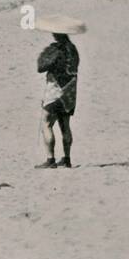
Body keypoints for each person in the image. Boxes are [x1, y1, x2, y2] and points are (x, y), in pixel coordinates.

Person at [37, 29, 81, 168]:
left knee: (46, 123)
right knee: (65, 125)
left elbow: (41, 67)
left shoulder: (57, 49)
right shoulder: (73, 50)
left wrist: (47, 53)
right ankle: (67, 159)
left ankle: (50, 160)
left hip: (56, 90)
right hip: (70, 93)